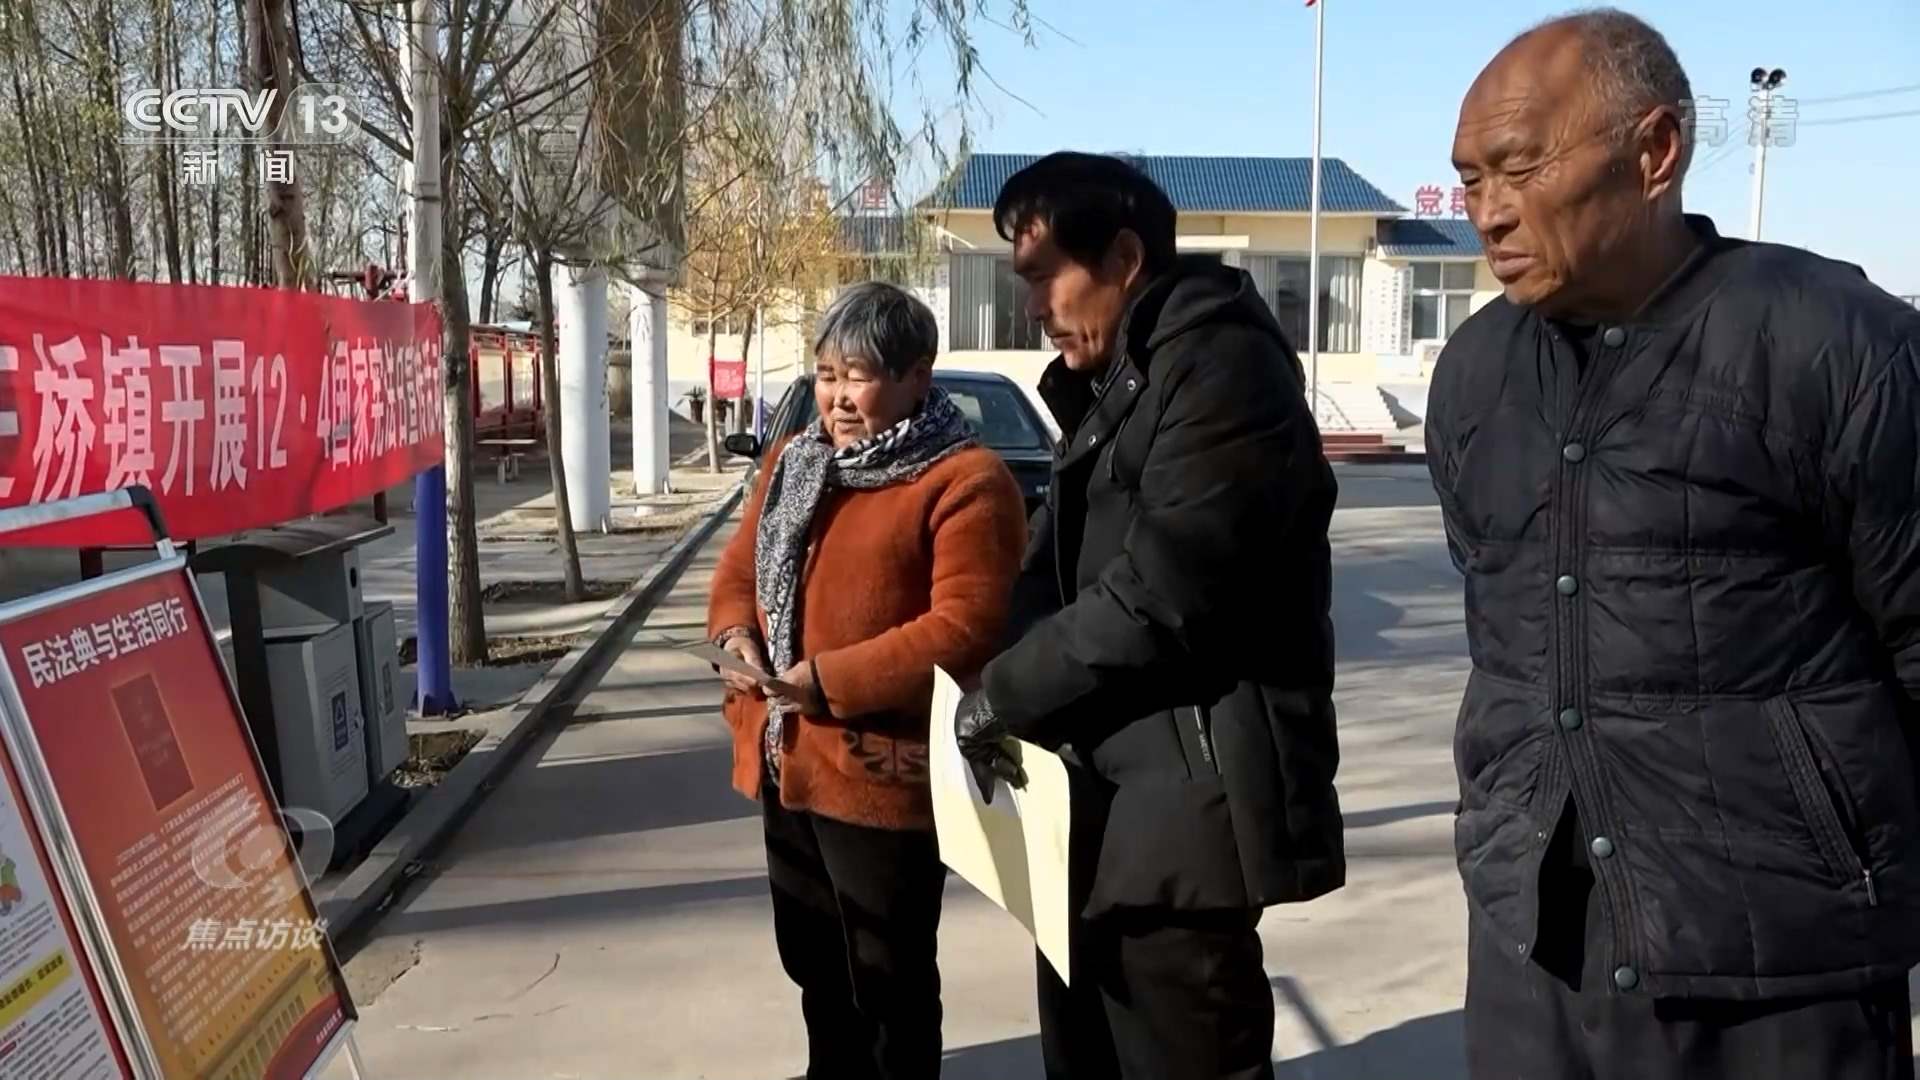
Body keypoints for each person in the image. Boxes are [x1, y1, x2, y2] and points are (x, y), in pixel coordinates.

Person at [1427, 10, 1920, 1079]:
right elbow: (1497, 618)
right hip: (1534, 948)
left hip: (1781, 965)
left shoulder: (1836, 344)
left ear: (1656, 150)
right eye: (1470, 181)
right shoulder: (1473, 375)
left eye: (1521, 168)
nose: (1491, 212)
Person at [953, 151, 1346, 1080]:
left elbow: (1161, 592)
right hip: (1102, 805)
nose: (1032, 306)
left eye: (1046, 277)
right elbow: (1060, 564)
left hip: (1186, 816)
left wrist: (1005, 692)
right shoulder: (1124, 378)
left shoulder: (1223, 369)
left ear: (1125, 258)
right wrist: (981, 664)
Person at [704, 282, 1028, 1080]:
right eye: (826, 375)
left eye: (858, 376)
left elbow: (963, 628)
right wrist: (737, 635)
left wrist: (827, 681)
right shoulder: (794, 461)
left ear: (918, 376)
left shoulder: (965, 482)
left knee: (889, 981)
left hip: (883, 775)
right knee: (815, 965)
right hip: (787, 760)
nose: (838, 398)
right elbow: (739, 569)